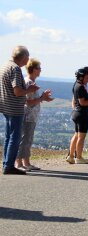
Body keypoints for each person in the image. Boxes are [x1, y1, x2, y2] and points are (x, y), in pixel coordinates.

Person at [0, 46, 40, 175]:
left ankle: (6, 163)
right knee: (15, 138)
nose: (27, 60)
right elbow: (17, 91)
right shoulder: (15, 69)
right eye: (27, 57)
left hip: (6, 105)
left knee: (8, 137)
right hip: (15, 108)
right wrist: (30, 90)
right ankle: (9, 166)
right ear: (23, 57)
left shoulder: (5, 66)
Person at [15, 58, 54, 171]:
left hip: (31, 116)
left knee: (28, 139)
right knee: (24, 139)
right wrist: (42, 98)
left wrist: (42, 97)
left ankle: (26, 162)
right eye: (38, 68)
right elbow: (28, 102)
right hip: (27, 115)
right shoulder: (28, 82)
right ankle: (18, 163)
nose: (40, 70)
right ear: (33, 69)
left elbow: (33, 100)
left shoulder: (31, 82)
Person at [66, 67, 88, 164]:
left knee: (76, 135)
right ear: (82, 77)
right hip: (82, 114)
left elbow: (75, 100)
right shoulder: (81, 87)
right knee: (81, 137)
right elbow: (82, 102)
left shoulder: (76, 85)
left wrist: (76, 108)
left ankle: (71, 156)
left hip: (76, 113)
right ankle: (79, 157)